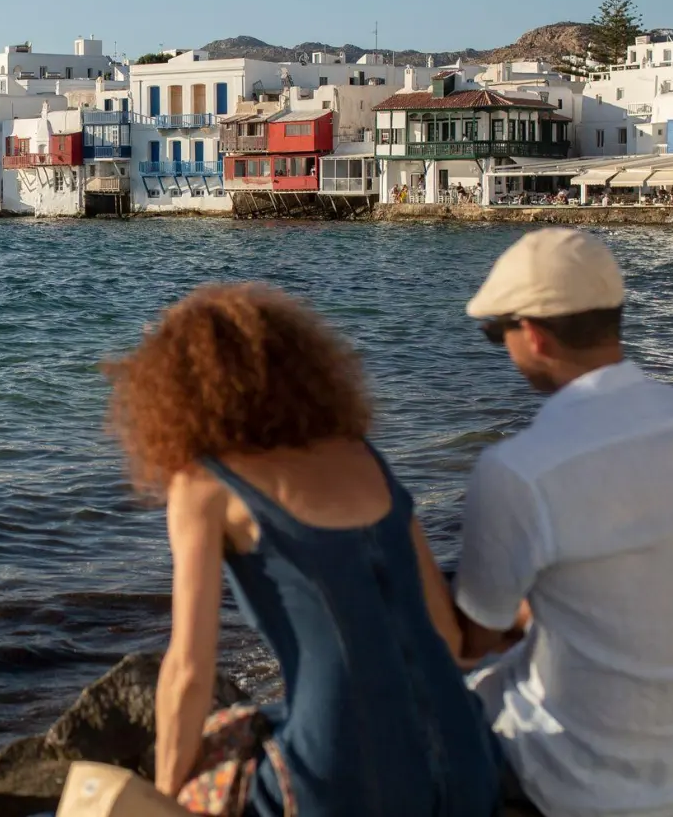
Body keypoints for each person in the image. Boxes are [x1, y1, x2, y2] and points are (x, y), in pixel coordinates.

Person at [104, 283, 501, 817]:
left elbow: (190, 671)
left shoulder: (205, 486)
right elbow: (449, 638)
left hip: (344, 776)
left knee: (215, 759)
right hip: (467, 760)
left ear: (176, 393)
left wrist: (165, 797)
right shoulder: (364, 458)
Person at [456, 228, 673, 817]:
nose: (503, 346)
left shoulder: (518, 469)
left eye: (497, 332)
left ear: (535, 336)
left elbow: (474, 638)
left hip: (590, 787)